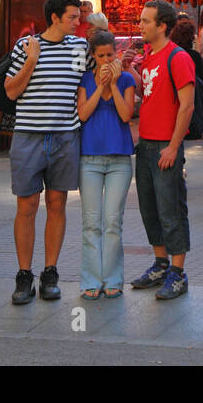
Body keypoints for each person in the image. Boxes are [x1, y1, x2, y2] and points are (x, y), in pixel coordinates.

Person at [3, 0, 87, 305]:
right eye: (73, 17)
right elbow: (11, 92)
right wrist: (33, 60)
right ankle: (24, 274)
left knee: (57, 204)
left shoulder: (80, 47)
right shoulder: (25, 47)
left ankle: (50, 273)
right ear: (54, 17)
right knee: (25, 207)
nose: (78, 23)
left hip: (65, 136)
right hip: (28, 136)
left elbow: (83, 82)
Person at [129, 0, 195, 300]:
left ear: (162, 26)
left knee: (171, 210)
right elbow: (152, 96)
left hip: (165, 146)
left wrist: (173, 146)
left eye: (145, 21)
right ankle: (160, 263)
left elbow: (187, 106)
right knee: (149, 209)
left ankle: (177, 272)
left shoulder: (178, 57)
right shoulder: (148, 56)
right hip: (144, 144)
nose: (140, 25)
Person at [76, 31, 135, 299]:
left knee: (112, 221)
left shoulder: (127, 79)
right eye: (100, 56)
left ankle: (113, 279)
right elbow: (84, 114)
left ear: (116, 54)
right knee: (91, 222)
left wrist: (113, 85)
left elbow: (126, 115)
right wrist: (100, 86)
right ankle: (90, 279)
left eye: (110, 55)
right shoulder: (86, 80)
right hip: (89, 157)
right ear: (93, 57)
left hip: (119, 158)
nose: (106, 60)